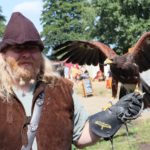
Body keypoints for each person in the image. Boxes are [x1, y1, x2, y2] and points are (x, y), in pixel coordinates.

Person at [0, 12, 143, 150]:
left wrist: (115, 114)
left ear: (40, 53)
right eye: (18, 48)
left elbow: (81, 135)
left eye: (32, 48)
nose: (26, 54)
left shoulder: (62, 90)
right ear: (4, 54)